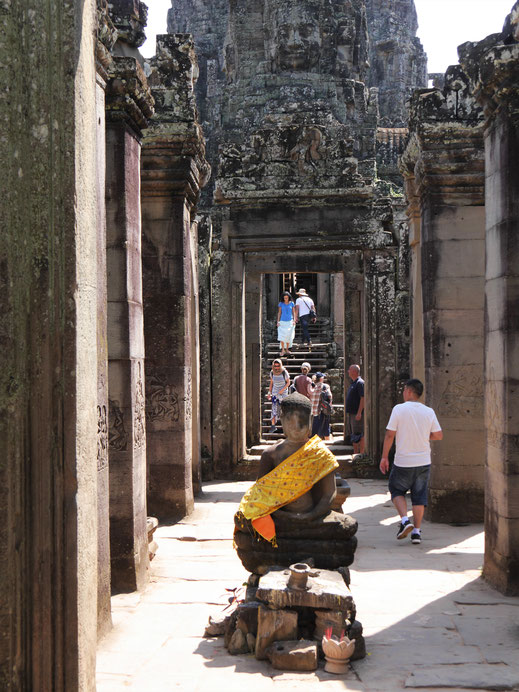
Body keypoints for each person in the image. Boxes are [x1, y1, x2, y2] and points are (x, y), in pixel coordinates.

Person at [235, 393, 338, 544]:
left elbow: (330, 493)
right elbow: (260, 494)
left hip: (311, 516)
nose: (296, 427)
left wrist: (309, 516)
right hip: (279, 517)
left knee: (346, 526)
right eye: (290, 421)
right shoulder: (271, 454)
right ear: (282, 421)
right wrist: (283, 516)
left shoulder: (320, 453)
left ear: (310, 421)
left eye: (301, 421)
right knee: (243, 521)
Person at [379, 378, 443, 544]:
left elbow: (389, 435)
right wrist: (423, 436)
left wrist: (384, 456)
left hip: (403, 461)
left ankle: (405, 520)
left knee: (396, 490)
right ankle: (416, 532)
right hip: (423, 461)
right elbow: (438, 435)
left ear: (408, 391)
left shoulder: (399, 409)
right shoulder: (428, 411)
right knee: (419, 497)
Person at [267, 358, 290, 433]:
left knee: (284, 409)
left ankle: (287, 426)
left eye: (278, 366)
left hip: (283, 393)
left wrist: (282, 390)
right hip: (275, 392)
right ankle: (273, 426)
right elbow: (271, 383)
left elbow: (288, 382)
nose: (276, 368)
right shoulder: (272, 372)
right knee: (274, 409)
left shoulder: (284, 372)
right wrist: (269, 393)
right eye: (275, 366)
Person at [346, 364, 364, 454]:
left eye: (349, 370)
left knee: (358, 434)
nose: (348, 371)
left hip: (357, 413)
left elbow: (363, 398)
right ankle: (356, 452)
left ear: (354, 371)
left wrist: (359, 412)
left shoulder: (360, 383)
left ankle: (360, 454)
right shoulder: (354, 382)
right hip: (352, 413)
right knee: (354, 433)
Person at [277, 291, 296, 357]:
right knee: (282, 336)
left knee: (289, 336)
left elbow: (293, 312)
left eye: (287, 298)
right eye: (284, 298)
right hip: (282, 321)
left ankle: (287, 349)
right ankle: (282, 350)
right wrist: (278, 321)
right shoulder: (281, 304)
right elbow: (279, 313)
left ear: (289, 298)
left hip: (290, 321)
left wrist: (294, 320)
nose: (286, 299)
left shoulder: (292, 303)